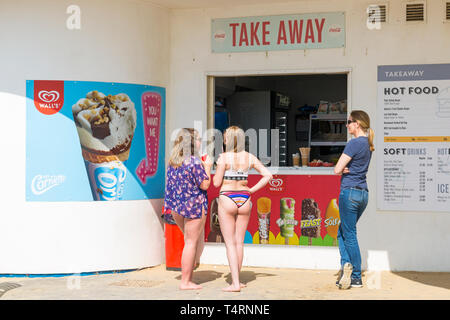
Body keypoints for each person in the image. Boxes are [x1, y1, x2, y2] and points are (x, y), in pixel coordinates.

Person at [213, 126, 272, 292]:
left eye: (224, 137)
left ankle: (235, 283)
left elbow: (216, 183)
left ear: (228, 140)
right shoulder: (249, 157)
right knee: (239, 242)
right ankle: (237, 280)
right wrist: (251, 190)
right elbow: (268, 175)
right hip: (245, 199)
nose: (223, 140)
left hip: (227, 197)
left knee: (230, 243)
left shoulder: (224, 158)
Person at [163, 128, 212, 290]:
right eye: (198, 139)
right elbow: (205, 184)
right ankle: (186, 281)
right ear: (191, 142)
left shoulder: (173, 161)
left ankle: (188, 274)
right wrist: (208, 167)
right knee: (191, 243)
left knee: (189, 242)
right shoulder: (194, 162)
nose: (200, 143)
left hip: (177, 207)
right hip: (193, 207)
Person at [334, 110, 374, 290]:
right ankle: (346, 268)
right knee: (343, 231)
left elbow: (336, 169)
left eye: (349, 122)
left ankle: (355, 276)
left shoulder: (353, 143)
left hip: (349, 192)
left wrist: (342, 169)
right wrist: (345, 169)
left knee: (349, 234)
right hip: (363, 193)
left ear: (357, 123)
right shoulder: (368, 144)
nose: (347, 125)